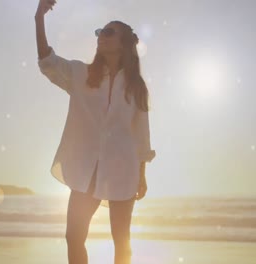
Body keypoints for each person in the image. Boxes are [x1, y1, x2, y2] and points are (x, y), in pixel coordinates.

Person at [35, 1, 156, 263]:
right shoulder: (81, 73)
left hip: (123, 169)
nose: (101, 35)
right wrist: (39, 17)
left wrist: (142, 175)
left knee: (121, 242)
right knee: (74, 237)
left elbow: (141, 135)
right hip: (85, 169)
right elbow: (47, 61)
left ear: (123, 43)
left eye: (108, 32)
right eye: (99, 31)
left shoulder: (136, 86)